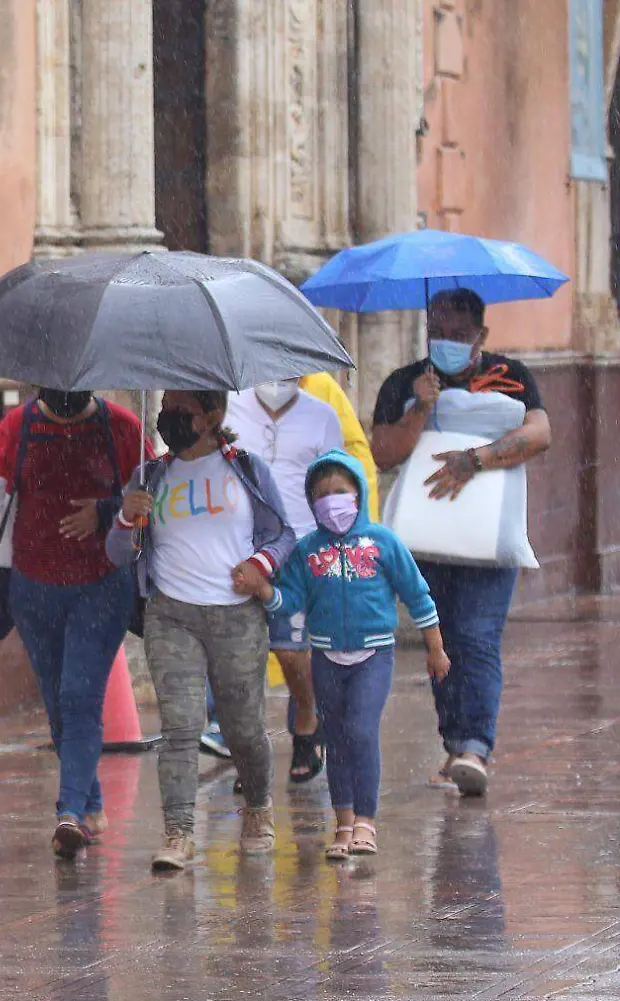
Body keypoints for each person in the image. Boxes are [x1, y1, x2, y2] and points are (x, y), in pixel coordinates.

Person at [369, 287, 550, 796]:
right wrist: (419, 411)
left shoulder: (512, 377)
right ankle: (455, 746)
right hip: (426, 539)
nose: (447, 342)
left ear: (481, 336)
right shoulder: (405, 382)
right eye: (438, 333)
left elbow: (541, 434)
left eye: (459, 334)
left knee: (477, 636)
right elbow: (383, 452)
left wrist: (476, 460)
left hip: (488, 536)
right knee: (440, 639)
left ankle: (475, 746)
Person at [106, 390, 296, 871]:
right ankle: (178, 832)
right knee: (180, 727)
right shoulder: (151, 475)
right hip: (171, 615)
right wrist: (128, 516)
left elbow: (283, 534)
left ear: (212, 415)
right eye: (165, 407)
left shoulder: (246, 470)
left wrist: (260, 564)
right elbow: (116, 552)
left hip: (236, 616)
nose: (168, 417)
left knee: (244, 729)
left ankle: (257, 807)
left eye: (181, 410)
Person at [0, 388, 149, 858]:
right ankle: (90, 802)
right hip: (33, 589)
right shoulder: (18, 426)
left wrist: (105, 511)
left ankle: (68, 813)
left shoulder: (124, 427)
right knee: (57, 701)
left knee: (79, 695)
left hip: (102, 586)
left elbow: (153, 494)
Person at [244, 451, 451, 860]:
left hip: (373, 654)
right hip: (325, 657)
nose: (332, 501)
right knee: (335, 739)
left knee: (360, 729)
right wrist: (266, 593)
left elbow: (416, 593)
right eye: (322, 494)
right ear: (310, 501)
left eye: (341, 491)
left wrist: (436, 647)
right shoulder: (307, 551)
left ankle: (366, 822)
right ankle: (343, 823)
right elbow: (290, 603)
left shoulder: (383, 543)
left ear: (358, 494)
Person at [224, 379, 346, 783]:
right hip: (238, 549)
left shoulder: (321, 416)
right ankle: (249, 754)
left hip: (300, 554)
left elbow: (335, 485)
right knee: (242, 660)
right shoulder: (227, 408)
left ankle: (308, 719)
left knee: (292, 651)